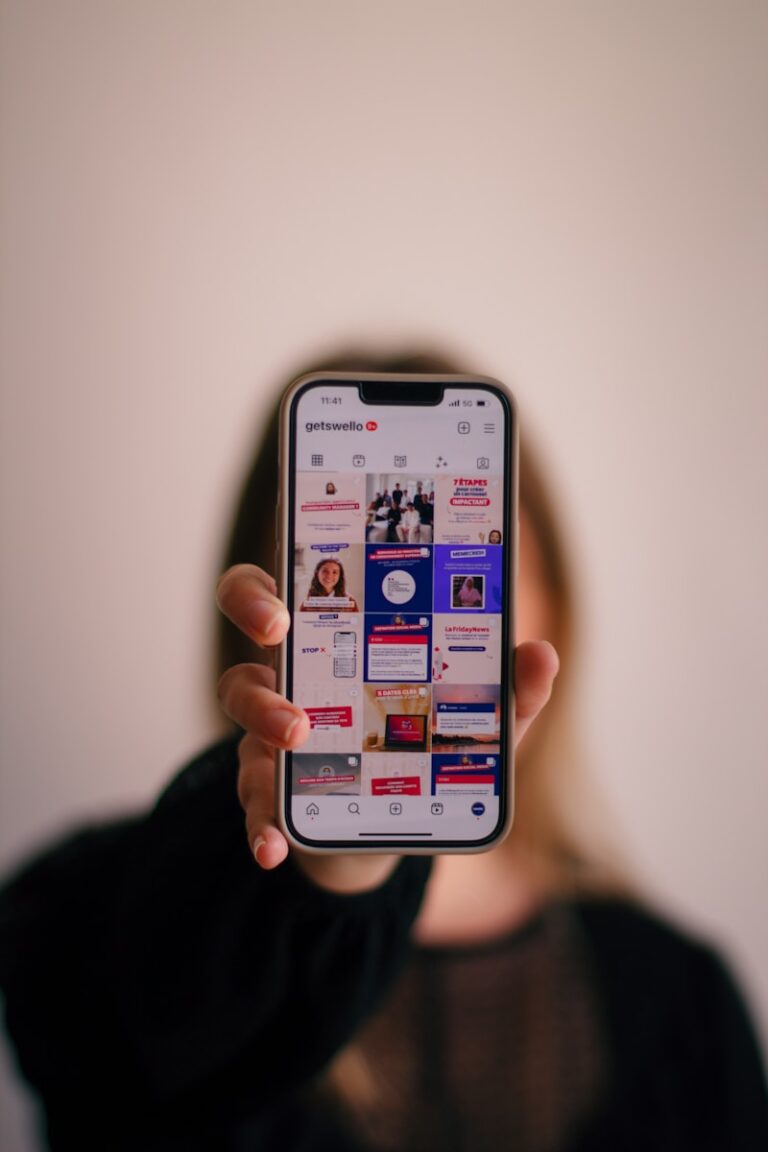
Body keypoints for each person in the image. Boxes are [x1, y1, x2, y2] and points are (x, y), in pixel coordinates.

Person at [1, 348, 766, 1152]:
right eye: (339, 578)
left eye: (464, 564)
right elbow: (98, 1053)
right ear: (256, 625)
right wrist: (327, 875)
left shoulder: (683, 1002)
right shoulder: (106, 930)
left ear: (556, 610)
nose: (387, 602)